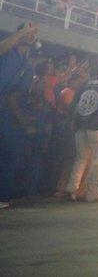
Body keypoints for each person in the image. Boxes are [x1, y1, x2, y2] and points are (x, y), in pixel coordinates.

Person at [65, 62, 98, 201]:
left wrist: (73, 121)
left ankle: (72, 188)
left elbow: (75, 102)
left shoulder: (86, 82)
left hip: (81, 124)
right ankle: (92, 191)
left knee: (81, 158)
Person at [0, 22, 40, 205]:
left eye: (34, 32)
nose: (32, 34)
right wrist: (23, 31)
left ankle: (3, 196)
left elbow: (17, 95)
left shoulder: (28, 65)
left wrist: (22, 118)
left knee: (8, 155)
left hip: (6, 114)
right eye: (29, 31)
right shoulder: (8, 51)